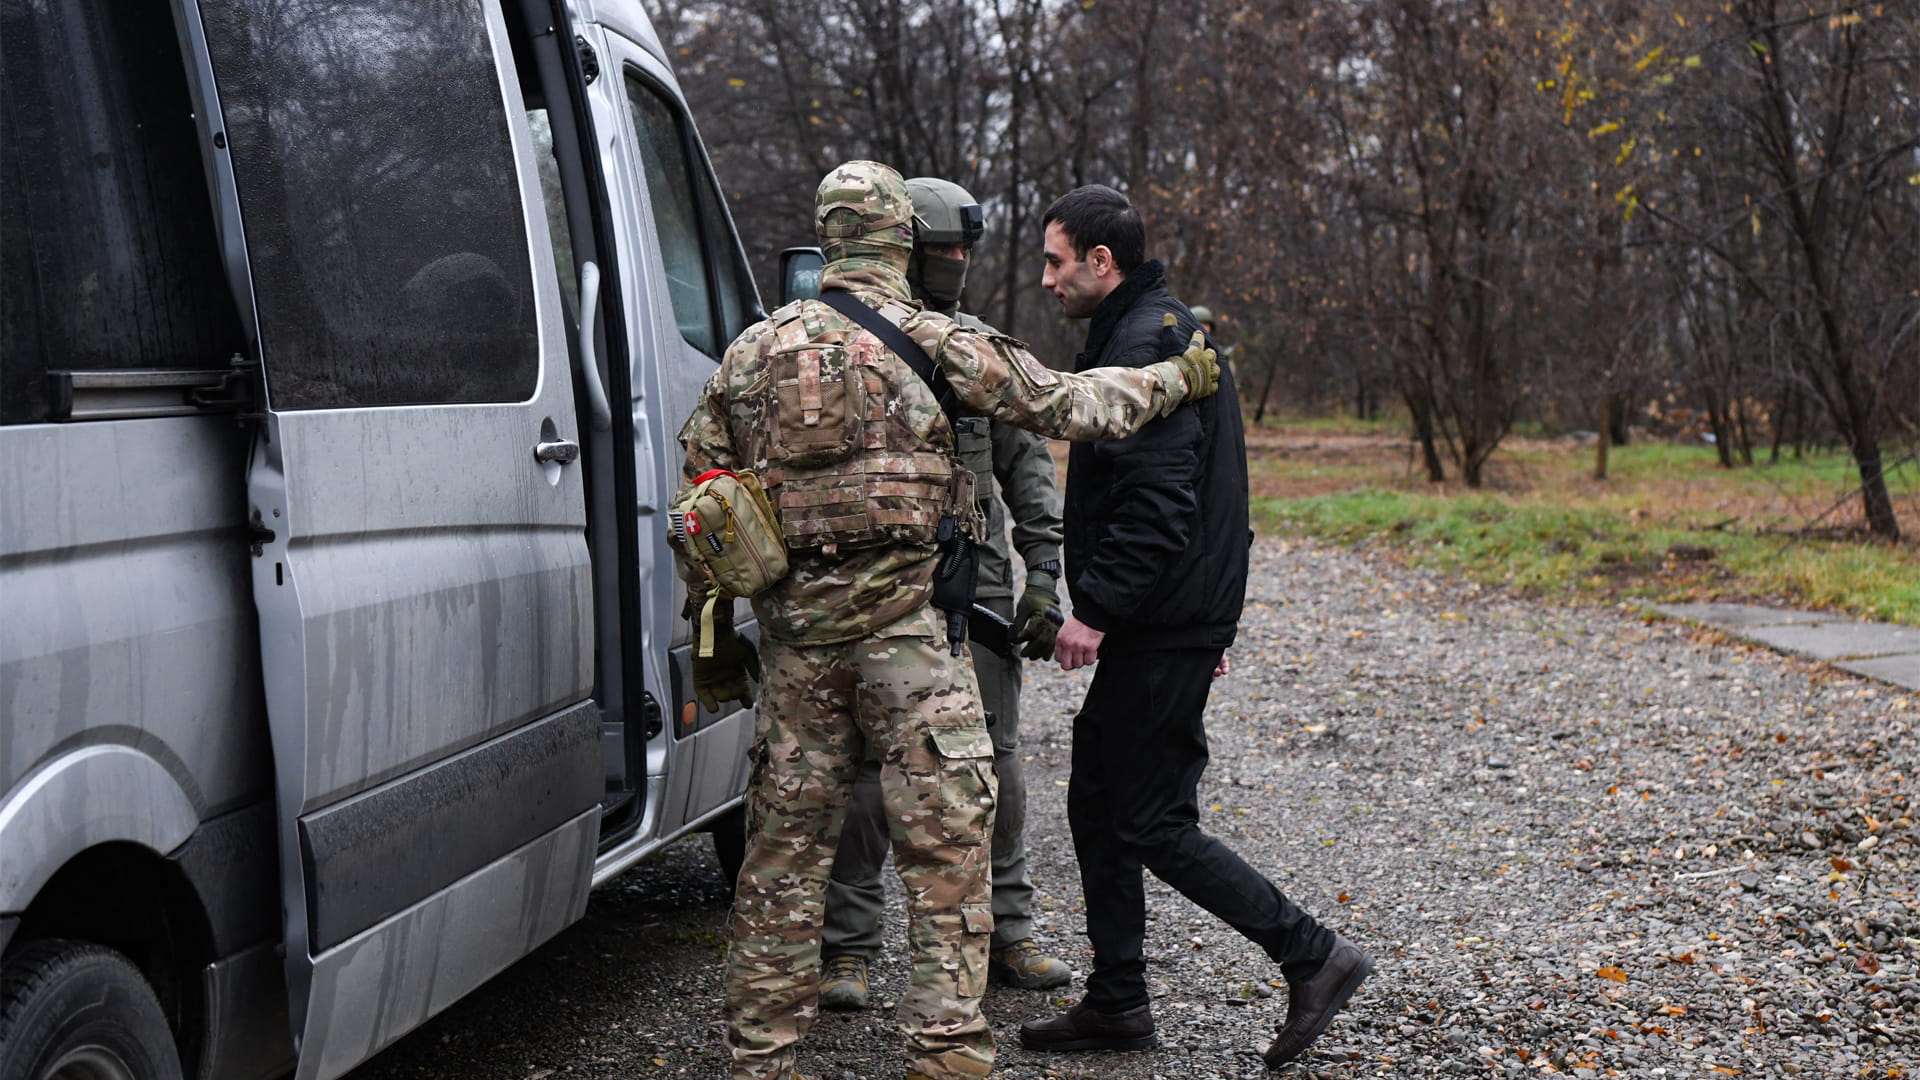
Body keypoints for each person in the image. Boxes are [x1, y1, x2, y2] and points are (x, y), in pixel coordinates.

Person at [674, 161, 1219, 1080]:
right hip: (911, 647)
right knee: (946, 859)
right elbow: (1071, 406)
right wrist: (1177, 374)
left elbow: (702, 506)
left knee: (779, 866)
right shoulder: (936, 339)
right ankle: (946, 1057)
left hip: (799, 655)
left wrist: (715, 631)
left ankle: (761, 1060)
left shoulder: (750, 354)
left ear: (829, 238)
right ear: (901, 242)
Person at [1018, 184, 1372, 1070]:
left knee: (1151, 816)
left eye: (1057, 261)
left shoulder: (1149, 346)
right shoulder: (1158, 333)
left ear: (1105, 263)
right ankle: (1118, 1003)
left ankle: (1312, 954)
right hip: (1173, 619)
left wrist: (1095, 611)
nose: (1046, 278)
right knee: (1099, 802)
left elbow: (1158, 507)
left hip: (1157, 618)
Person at [817, 177, 1070, 1013]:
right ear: (907, 250)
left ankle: (1011, 931)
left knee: (993, 763)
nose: (957, 264)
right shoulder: (850, 343)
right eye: (943, 251)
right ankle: (848, 947)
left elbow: (1027, 463)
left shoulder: (973, 347)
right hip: (877, 581)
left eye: (968, 250)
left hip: (976, 587)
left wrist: (1046, 575)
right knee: (862, 772)